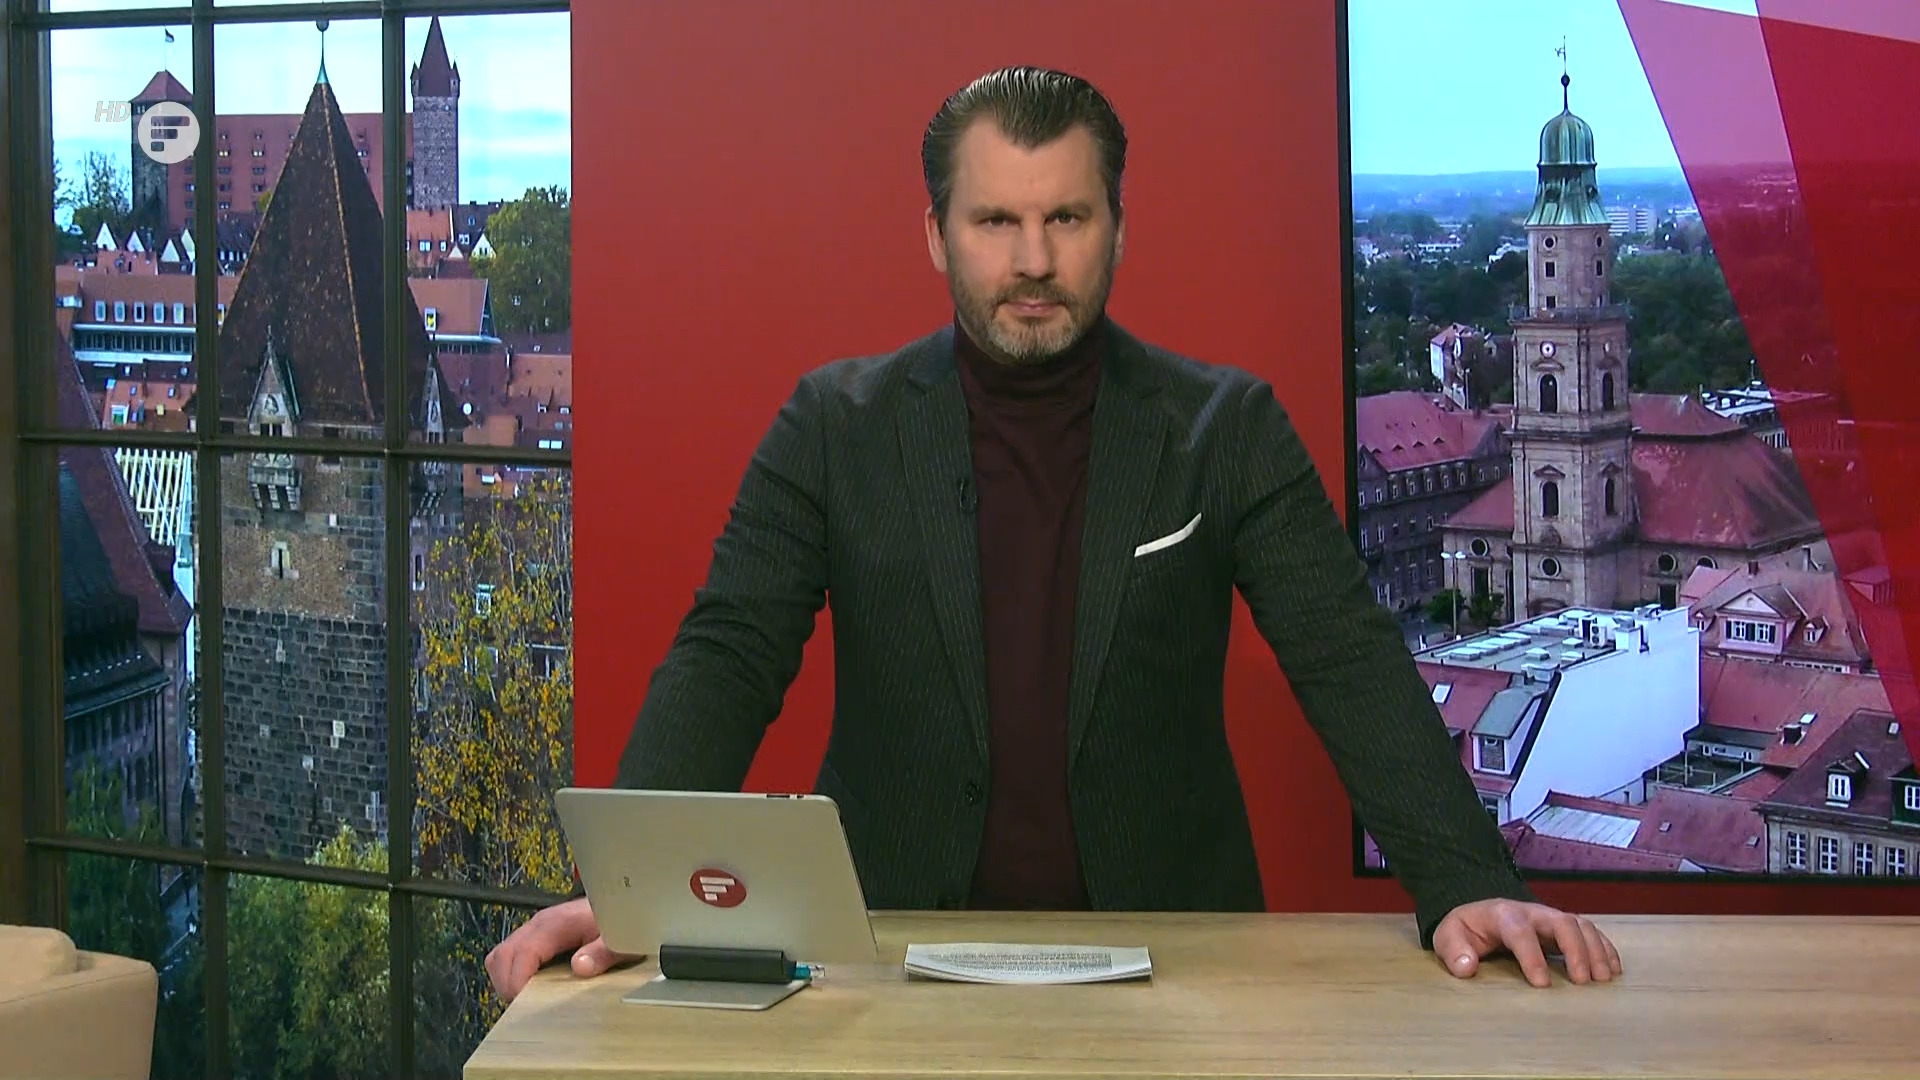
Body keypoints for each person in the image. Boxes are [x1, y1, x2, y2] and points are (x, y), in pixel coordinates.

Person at [487, 65, 1621, 1003]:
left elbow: (1344, 651)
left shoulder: (1227, 426)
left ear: (1117, 228)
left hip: (1174, 966)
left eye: (1066, 218)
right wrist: (628, 891)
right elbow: (731, 649)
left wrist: (1464, 878)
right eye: (996, 221)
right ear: (938, 236)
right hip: (888, 959)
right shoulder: (833, 425)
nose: (1032, 260)